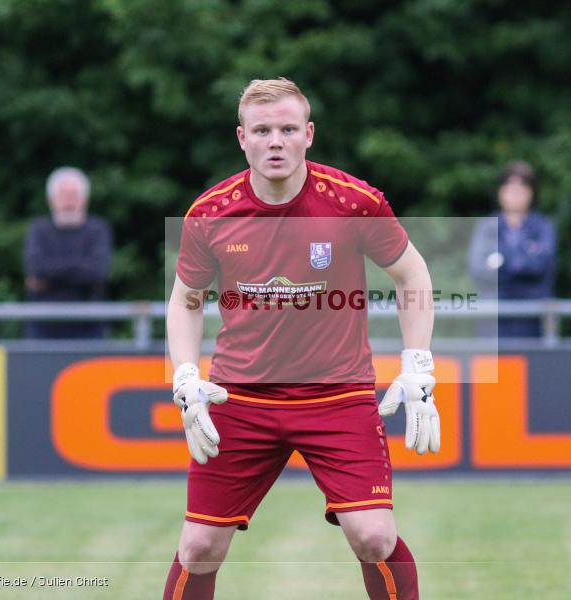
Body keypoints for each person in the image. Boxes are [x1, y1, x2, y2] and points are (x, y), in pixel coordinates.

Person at [165, 78, 438, 600]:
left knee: (374, 536)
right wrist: (185, 374)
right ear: (241, 137)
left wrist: (418, 364)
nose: (275, 141)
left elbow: (413, 275)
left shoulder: (354, 201)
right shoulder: (210, 212)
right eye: (262, 130)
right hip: (240, 397)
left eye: (288, 129)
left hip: (337, 395)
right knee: (199, 547)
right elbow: (185, 299)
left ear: (308, 134)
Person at [467, 161, 557, 337]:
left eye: (521, 190)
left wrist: (501, 260)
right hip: (493, 319)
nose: (515, 195)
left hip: (533, 320)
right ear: (500, 192)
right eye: (509, 189)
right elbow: (477, 269)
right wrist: (524, 258)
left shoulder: (543, 226)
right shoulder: (486, 227)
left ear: (531, 193)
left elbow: (542, 265)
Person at [23, 166, 112, 338]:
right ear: (51, 200)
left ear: (85, 199)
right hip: (43, 327)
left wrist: (49, 280)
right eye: (63, 195)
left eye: (74, 195)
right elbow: (36, 268)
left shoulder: (98, 230)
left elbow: (97, 272)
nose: (69, 201)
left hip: (89, 328)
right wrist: (80, 271)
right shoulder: (38, 230)